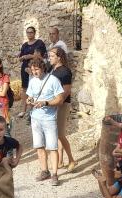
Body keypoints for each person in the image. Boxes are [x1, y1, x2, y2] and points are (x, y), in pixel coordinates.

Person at [25, 57, 64, 186]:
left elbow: (60, 99)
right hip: (35, 117)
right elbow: (29, 96)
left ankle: (54, 174)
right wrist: (29, 100)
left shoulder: (53, 80)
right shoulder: (32, 81)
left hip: (49, 118)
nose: (34, 72)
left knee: (52, 147)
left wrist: (46, 102)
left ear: (42, 67)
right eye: (32, 70)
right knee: (39, 146)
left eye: (36, 69)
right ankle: (44, 171)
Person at [49, 46, 77, 172]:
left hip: (61, 104)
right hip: (53, 104)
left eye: (51, 56)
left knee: (60, 133)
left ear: (59, 57)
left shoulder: (65, 71)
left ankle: (71, 159)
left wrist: (58, 103)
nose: (49, 58)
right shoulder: (52, 69)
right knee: (56, 134)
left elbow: (66, 91)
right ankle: (60, 161)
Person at [18, 26, 47, 123]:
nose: (29, 34)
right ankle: (23, 110)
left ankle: (33, 111)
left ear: (34, 33)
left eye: (31, 32)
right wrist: (22, 57)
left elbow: (40, 55)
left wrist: (29, 56)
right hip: (25, 68)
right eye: (28, 32)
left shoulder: (39, 43)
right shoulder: (24, 45)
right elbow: (20, 57)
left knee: (35, 88)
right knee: (24, 88)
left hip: (35, 69)